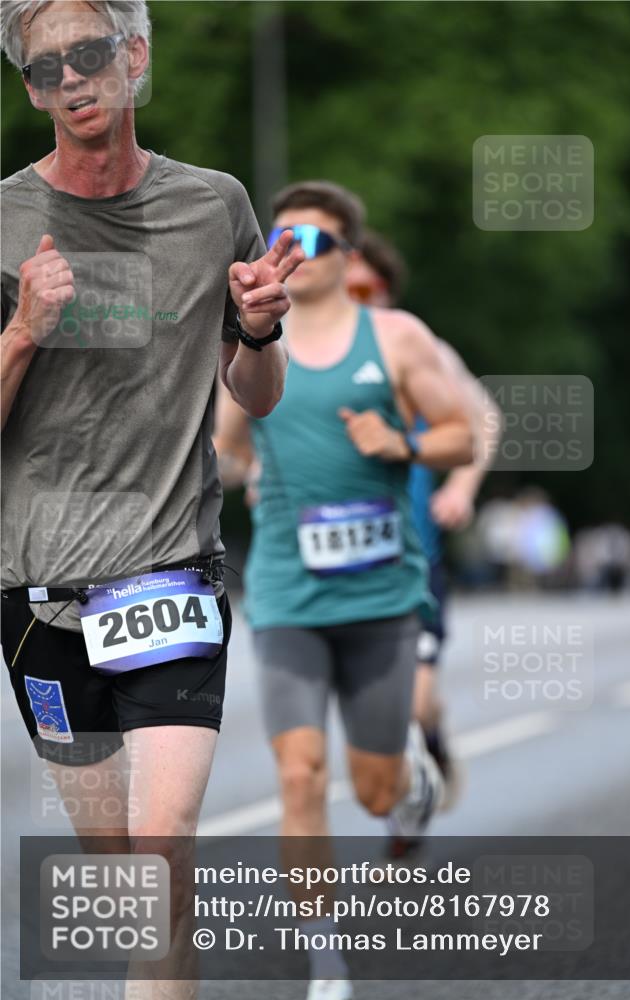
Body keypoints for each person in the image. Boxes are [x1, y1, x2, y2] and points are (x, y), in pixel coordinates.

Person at [0, 3, 302, 998]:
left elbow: (253, 392)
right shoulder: (3, 223)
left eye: (89, 55)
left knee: (163, 844)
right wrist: (23, 331)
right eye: (47, 71)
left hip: (169, 571)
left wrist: (257, 334)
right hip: (39, 594)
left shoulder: (212, 205)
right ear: (31, 88)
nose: (72, 82)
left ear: (136, 55)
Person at [215, 180, 476, 1000]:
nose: (296, 249)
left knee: (371, 791)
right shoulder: (255, 336)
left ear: (348, 255)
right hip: (288, 595)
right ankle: (324, 960)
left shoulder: (393, 338)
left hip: (380, 599)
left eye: (317, 240)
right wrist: (230, 472)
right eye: (284, 234)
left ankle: (410, 787)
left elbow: (461, 432)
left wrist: (398, 441)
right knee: (298, 775)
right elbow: (226, 450)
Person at [347, 229, 501, 861]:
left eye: (364, 288)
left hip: (413, 554)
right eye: (342, 285)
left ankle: (424, 759)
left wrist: (462, 486)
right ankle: (407, 772)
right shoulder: (303, 344)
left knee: (415, 698)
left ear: (385, 291)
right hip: (338, 562)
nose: (352, 299)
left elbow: (481, 417)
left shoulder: (418, 345)